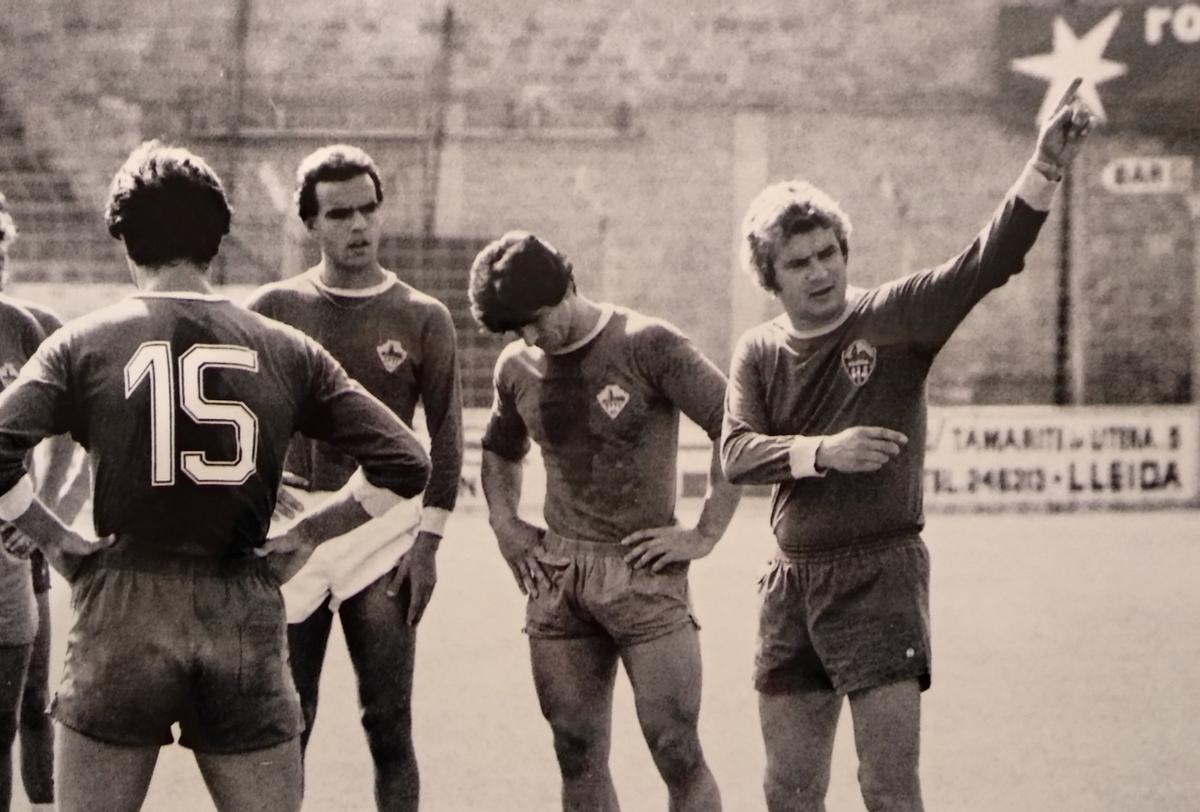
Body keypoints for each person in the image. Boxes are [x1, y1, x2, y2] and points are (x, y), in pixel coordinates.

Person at [0, 141, 432, 812]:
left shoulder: (81, 343)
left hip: (123, 605)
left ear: (123, 236)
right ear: (218, 237)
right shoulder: (286, 347)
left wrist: (52, 536)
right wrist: (313, 531)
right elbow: (407, 461)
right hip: (240, 601)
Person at [721, 86, 1094, 810]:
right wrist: (823, 453)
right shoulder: (758, 351)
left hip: (878, 577)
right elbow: (736, 453)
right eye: (799, 263)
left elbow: (988, 260)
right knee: (788, 790)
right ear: (771, 278)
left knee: (888, 787)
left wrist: (1043, 167)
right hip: (791, 584)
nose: (822, 271)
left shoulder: (893, 316)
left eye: (829, 252)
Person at [470, 231, 742, 811]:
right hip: (557, 575)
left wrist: (705, 532)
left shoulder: (649, 343)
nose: (530, 337)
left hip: (644, 570)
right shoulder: (517, 366)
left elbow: (735, 427)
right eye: (516, 329)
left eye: (536, 320)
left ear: (568, 285)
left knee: (675, 748)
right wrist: (503, 522)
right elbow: (499, 450)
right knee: (575, 749)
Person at [246, 143, 463, 812]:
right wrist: (260, 490)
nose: (359, 225)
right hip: (293, 533)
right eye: (340, 214)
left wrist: (428, 542)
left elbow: (446, 433)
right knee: (288, 719)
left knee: (388, 722)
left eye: (368, 209)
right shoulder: (275, 306)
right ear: (310, 222)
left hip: (383, 533)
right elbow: (239, 412)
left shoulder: (423, 316)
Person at [0, 191, 88, 812]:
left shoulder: (27, 327)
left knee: (31, 703)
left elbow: (78, 440)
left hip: (13, 545)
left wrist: (43, 514)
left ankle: (43, 804)